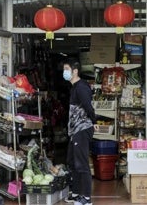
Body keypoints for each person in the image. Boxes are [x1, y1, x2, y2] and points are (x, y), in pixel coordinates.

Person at [62, 60, 99, 205]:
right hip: (75, 130)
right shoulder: (74, 87)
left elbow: (89, 107)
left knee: (82, 163)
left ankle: (87, 198)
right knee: (72, 161)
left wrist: (94, 121)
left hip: (82, 129)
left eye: (66, 69)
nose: (64, 72)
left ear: (75, 71)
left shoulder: (81, 87)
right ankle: (76, 193)